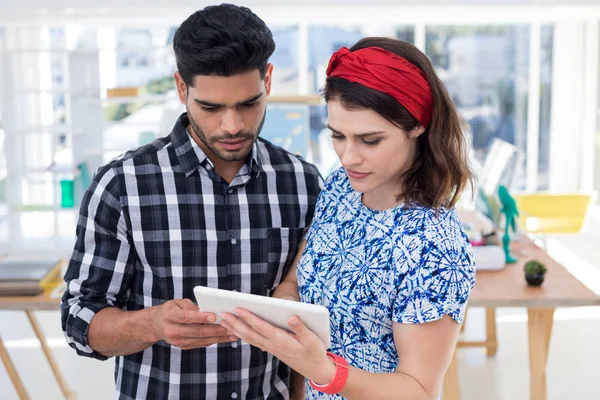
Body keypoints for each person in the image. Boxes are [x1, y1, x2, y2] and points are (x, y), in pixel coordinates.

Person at [60, 4, 322, 400]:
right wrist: (153, 324)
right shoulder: (122, 185)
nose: (232, 125)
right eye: (212, 107)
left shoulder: (302, 183)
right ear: (182, 88)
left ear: (268, 79)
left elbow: (313, 318)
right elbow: (79, 319)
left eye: (249, 103)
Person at [220, 37, 477, 400]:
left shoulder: (435, 246)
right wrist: (286, 300)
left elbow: (419, 390)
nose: (348, 157)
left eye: (370, 140)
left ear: (418, 124)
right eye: (338, 136)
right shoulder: (343, 186)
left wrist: (322, 370)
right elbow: (302, 269)